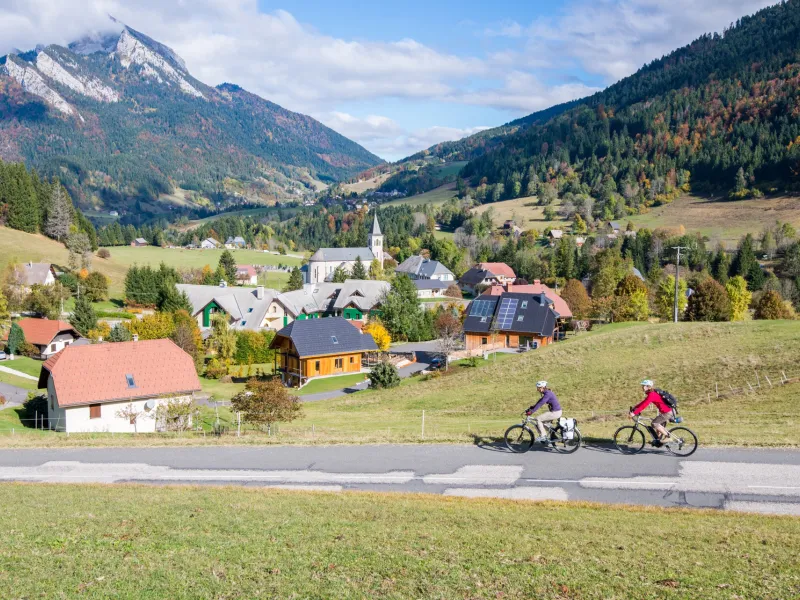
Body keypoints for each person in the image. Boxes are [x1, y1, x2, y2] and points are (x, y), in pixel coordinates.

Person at [629, 379, 673, 444]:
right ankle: (658, 442)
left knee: (654, 423)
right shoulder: (651, 394)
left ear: (648, 386)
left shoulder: (652, 395)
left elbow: (644, 405)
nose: (642, 387)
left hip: (666, 413)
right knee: (657, 425)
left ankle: (668, 437)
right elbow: (644, 402)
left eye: (643, 386)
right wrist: (635, 407)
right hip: (665, 412)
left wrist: (634, 413)